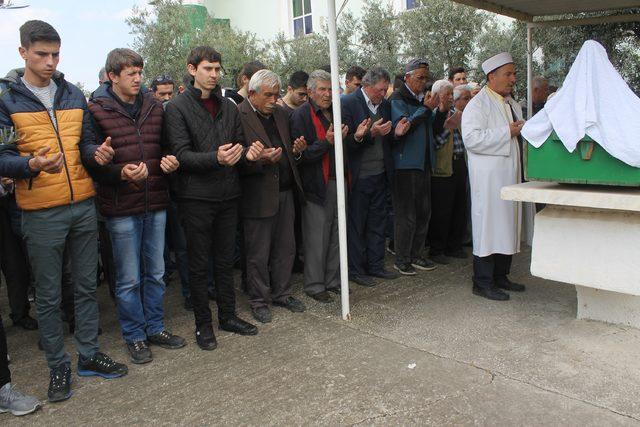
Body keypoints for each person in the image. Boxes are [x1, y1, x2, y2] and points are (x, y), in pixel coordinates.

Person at [0, 20, 127, 403]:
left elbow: (85, 146)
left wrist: (97, 155)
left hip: (82, 205)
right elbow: (2, 158)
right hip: (39, 212)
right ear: (23, 52)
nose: (50, 61)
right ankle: (58, 365)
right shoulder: (7, 100)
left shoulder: (73, 94)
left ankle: (88, 354)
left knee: (87, 287)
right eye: (42, 54)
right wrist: (31, 166)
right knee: (51, 295)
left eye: (55, 54)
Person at [88, 48, 186, 364]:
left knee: (156, 272)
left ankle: (155, 327)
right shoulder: (96, 110)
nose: (137, 78)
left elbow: (168, 147)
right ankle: (135, 335)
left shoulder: (155, 106)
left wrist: (169, 162)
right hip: (120, 206)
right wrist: (119, 171)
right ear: (112, 76)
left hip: (155, 200)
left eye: (139, 72)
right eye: (130, 73)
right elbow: (90, 159)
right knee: (128, 278)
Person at [164, 45, 264, 350]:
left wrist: (249, 154)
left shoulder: (229, 106)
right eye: (208, 68)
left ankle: (228, 316)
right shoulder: (178, 108)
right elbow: (180, 155)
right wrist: (215, 158)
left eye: (218, 69)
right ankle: (203, 325)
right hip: (195, 198)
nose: (214, 74)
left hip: (228, 194)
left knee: (224, 261)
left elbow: (239, 147)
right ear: (192, 69)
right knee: (198, 265)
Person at [461, 52, 534, 301]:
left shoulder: (511, 103)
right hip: (489, 181)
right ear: (492, 76)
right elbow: (471, 139)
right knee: (489, 228)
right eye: (508, 74)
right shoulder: (477, 104)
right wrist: (507, 132)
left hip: (510, 176)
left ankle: (501, 276)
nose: (513, 78)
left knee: (508, 226)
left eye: (514, 73)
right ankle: (482, 282)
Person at [238, 69, 308, 323]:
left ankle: (282, 292)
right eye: (268, 95)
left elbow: (289, 151)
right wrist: (257, 159)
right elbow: (235, 159)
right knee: (258, 253)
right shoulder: (238, 114)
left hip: (286, 191)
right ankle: (258, 300)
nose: (273, 100)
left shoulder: (281, 113)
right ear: (252, 93)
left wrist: (297, 152)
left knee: (286, 247)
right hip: (257, 194)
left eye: (276, 95)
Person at [291, 70, 349, 303]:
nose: (327, 94)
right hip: (317, 185)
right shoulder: (301, 115)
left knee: (337, 234)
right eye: (323, 89)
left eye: (330, 89)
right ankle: (315, 285)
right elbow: (302, 157)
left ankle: (333, 281)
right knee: (317, 237)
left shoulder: (336, 112)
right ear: (311, 91)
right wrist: (327, 142)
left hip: (340, 180)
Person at [389, 58, 447, 275]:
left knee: (424, 212)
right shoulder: (398, 98)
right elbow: (403, 127)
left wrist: (440, 111)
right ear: (407, 78)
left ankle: (416, 254)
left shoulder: (423, 100)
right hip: (405, 164)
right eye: (419, 78)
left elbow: (432, 128)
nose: (423, 82)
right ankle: (402, 258)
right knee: (406, 215)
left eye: (426, 78)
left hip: (424, 163)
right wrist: (425, 109)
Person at [341, 66, 398, 287]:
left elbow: (387, 137)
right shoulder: (347, 104)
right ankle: (356, 270)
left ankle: (376, 265)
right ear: (366, 86)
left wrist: (396, 132)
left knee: (378, 222)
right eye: (379, 90)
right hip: (359, 175)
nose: (383, 94)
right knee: (357, 225)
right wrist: (367, 135)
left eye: (385, 90)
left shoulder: (384, 104)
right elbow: (346, 144)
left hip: (381, 173)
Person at [428, 83, 471, 264]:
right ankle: (438, 250)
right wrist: (448, 129)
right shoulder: (432, 115)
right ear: (437, 95)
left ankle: (455, 246)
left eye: (451, 95)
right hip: (442, 168)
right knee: (442, 211)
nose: (450, 98)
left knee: (459, 208)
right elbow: (433, 144)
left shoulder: (456, 113)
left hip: (460, 164)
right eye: (447, 95)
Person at [0, 177, 36, 330]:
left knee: (23, 263)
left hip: (19, 199)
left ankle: (21, 313)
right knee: (13, 262)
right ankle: (19, 313)